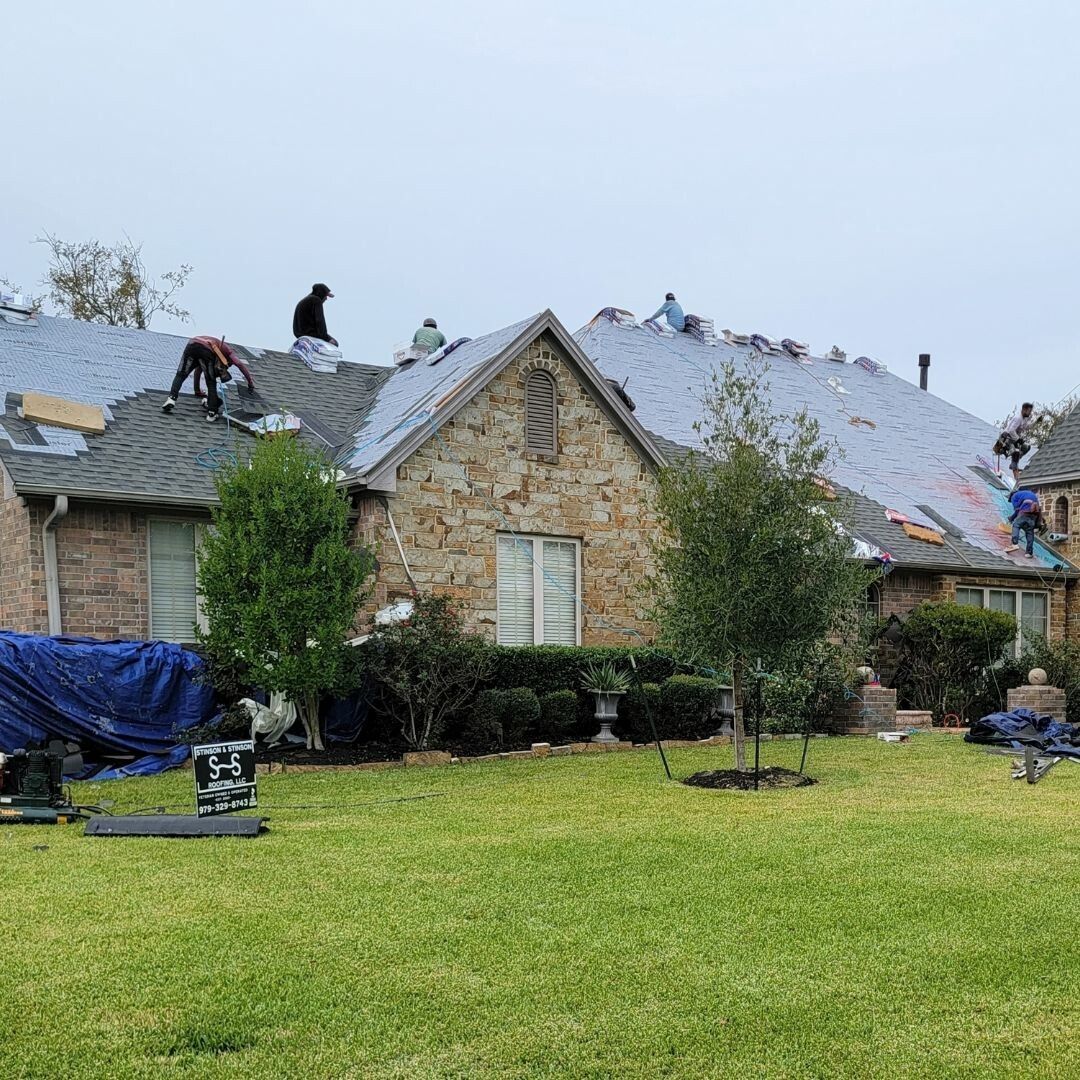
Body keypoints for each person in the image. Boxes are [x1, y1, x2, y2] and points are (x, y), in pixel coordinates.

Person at [161, 336, 241, 422]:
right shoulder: (228, 352)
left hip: (192, 345)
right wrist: (250, 384)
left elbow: (197, 372)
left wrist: (197, 391)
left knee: (181, 374)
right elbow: (240, 364)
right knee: (211, 381)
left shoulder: (216, 350)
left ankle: (171, 399)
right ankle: (212, 413)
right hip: (205, 350)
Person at [995, 403, 1037, 482]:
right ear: (1024, 410)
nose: (1030, 413)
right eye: (1029, 411)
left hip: (1013, 439)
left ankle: (1014, 462)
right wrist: (1018, 439)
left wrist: (1036, 422)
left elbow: (1026, 427)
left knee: (1026, 447)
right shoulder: (1018, 418)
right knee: (1015, 452)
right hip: (1007, 438)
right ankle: (1014, 467)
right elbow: (1011, 430)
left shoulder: (1023, 419)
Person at [1006, 488, 1041, 558]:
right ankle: (1029, 553)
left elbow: (1017, 510)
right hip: (1033, 516)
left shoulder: (1014, 496)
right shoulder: (1026, 493)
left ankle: (1014, 544)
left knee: (1016, 525)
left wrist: (1011, 518)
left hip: (1025, 513)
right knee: (1029, 532)